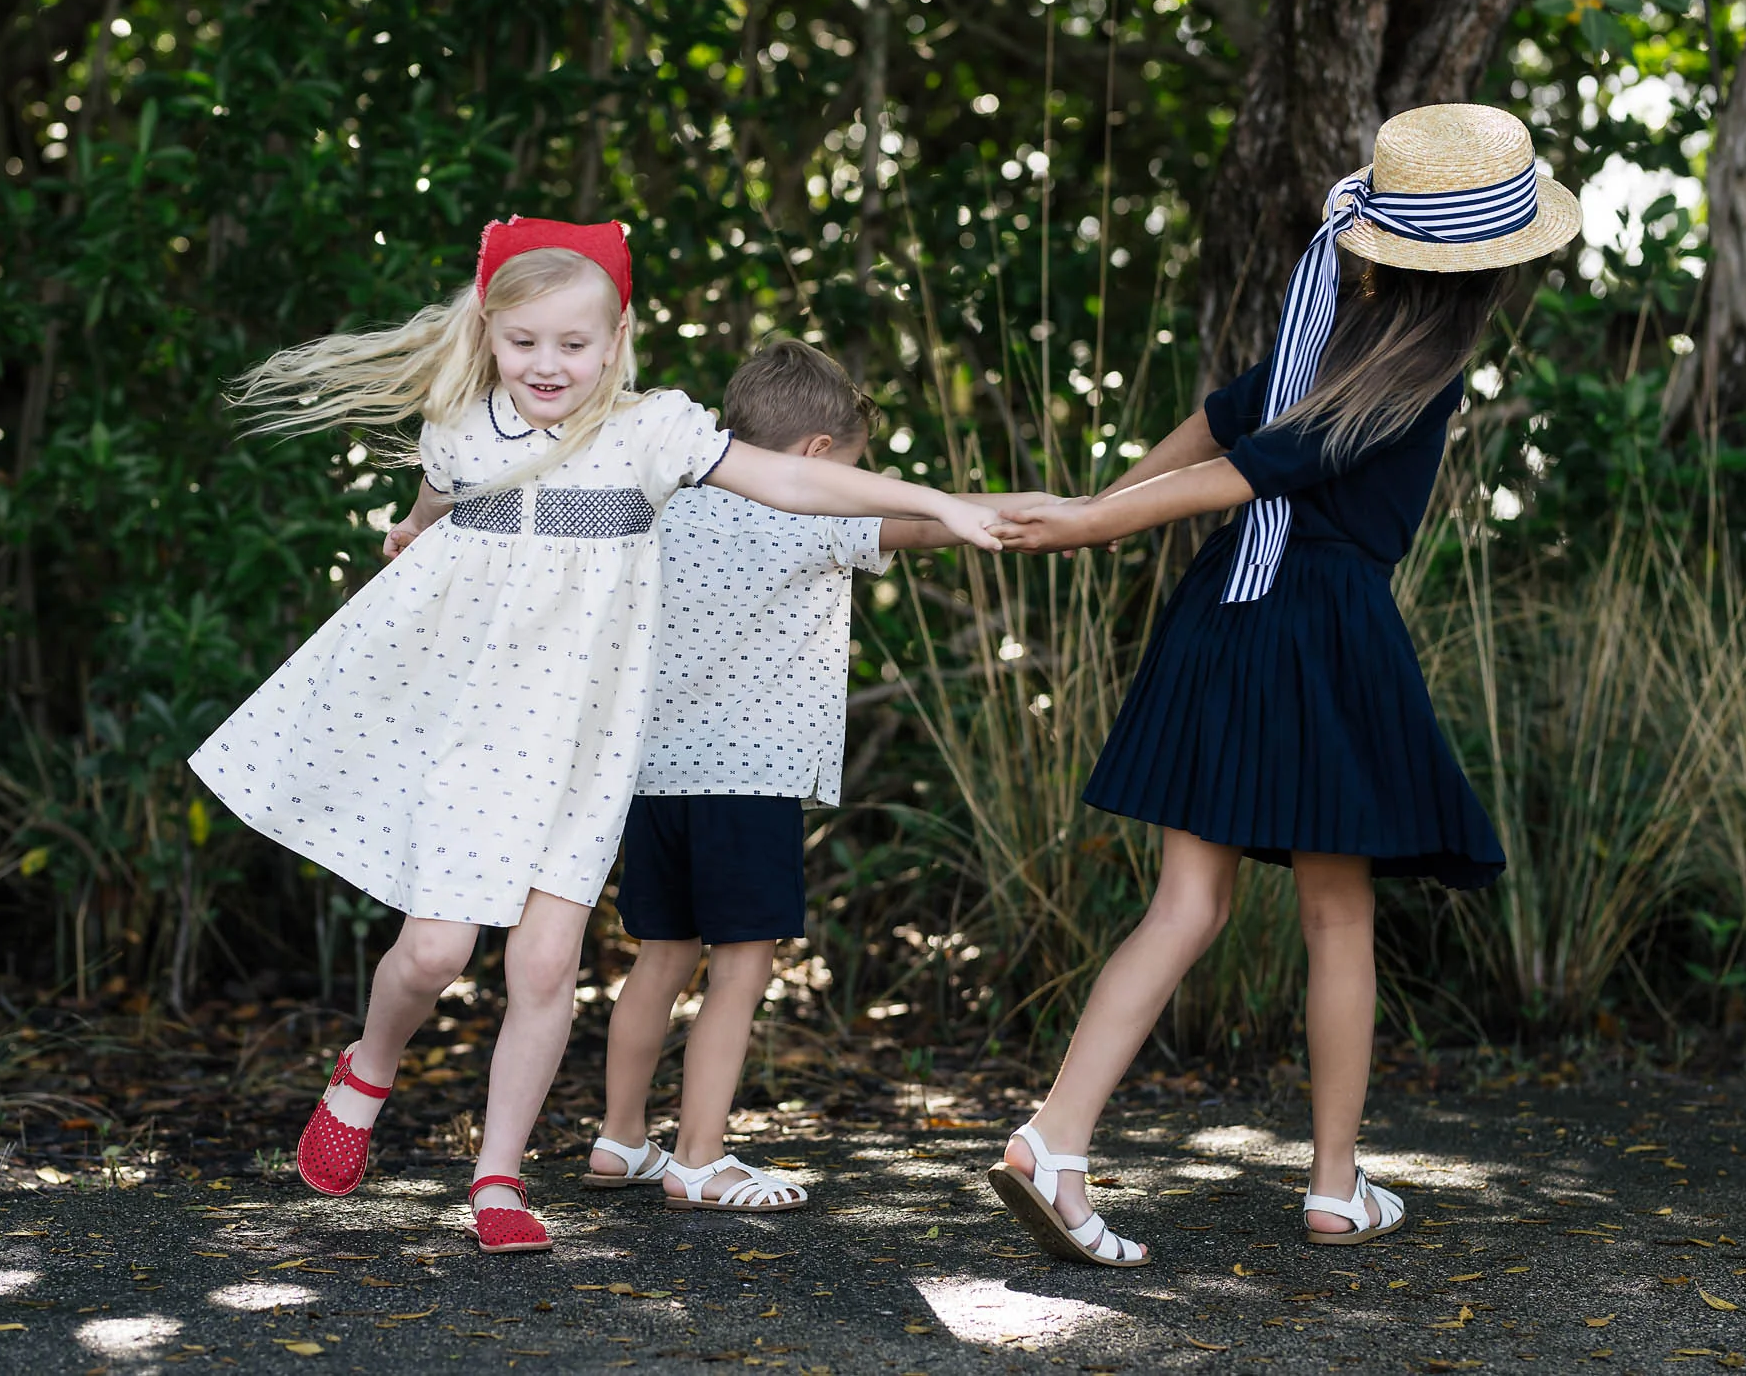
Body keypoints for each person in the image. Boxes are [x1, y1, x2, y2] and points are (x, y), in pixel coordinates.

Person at [187, 217, 1002, 1254]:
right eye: (524, 340)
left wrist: (935, 500)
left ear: (616, 341)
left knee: (544, 969)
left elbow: (794, 481)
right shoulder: (459, 423)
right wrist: (410, 533)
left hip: (581, 740)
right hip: (477, 723)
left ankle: (498, 1176)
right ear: (489, 334)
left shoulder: (650, 432)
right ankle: (369, 1063)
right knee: (434, 950)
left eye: (574, 343)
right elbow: (432, 505)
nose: (548, 364)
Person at [981, 104, 1580, 1265]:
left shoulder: (1334, 325)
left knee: (1184, 905)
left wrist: (1099, 514)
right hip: (1317, 629)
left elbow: (1216, 429)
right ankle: (1330, 1184)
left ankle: (1057, 1135)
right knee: (1334, 913)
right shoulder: (1417, 364)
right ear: (1492, 266)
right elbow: (1237, 463)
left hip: (1225, 613)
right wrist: (1088, 523)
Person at [579, 339, 1058, 1211]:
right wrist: (1036, 511)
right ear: (817, 457)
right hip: (749, 782)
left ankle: (621, 1138)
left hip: (653, 780)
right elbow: (921, 524)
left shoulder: (663, 506)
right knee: (741, 968)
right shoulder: (815, 511)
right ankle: (700, 1157)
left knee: (659, 957)